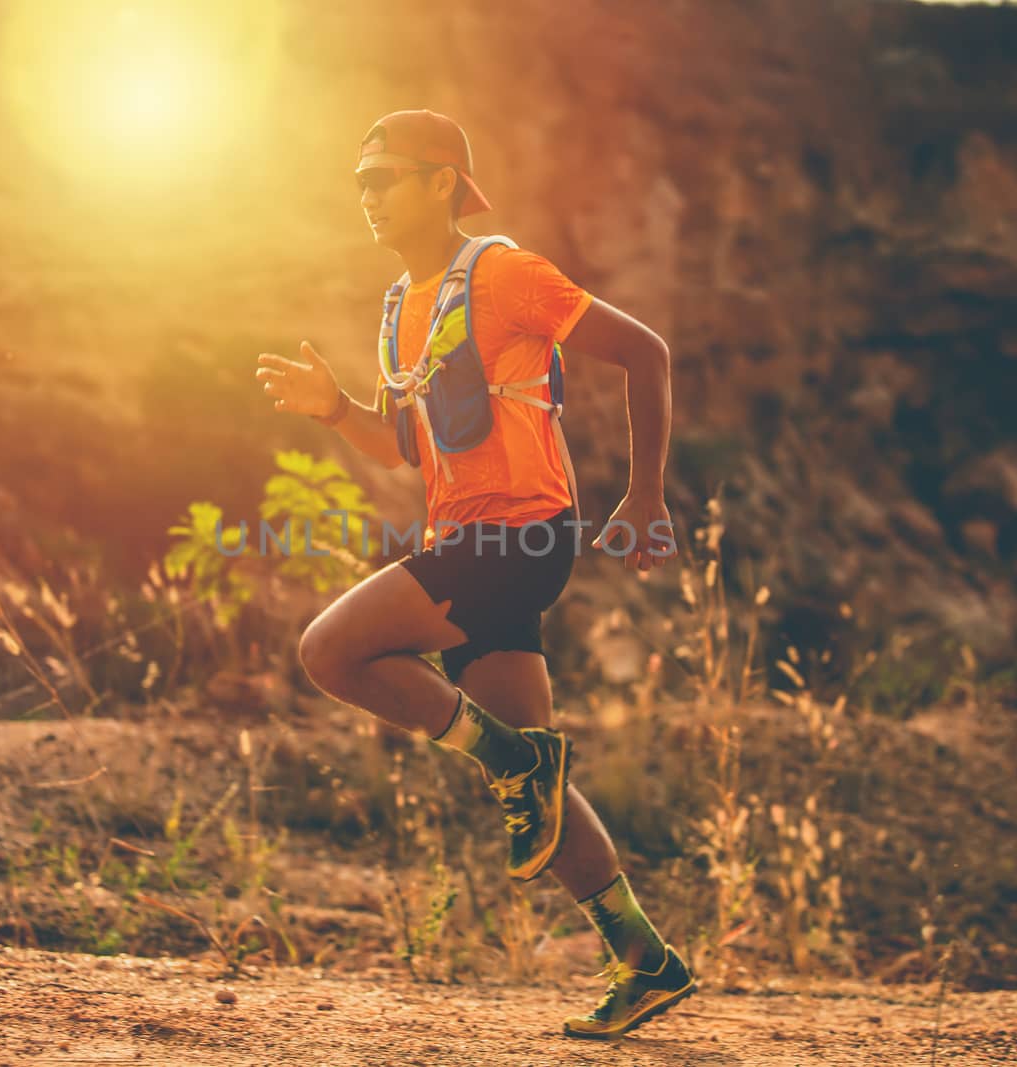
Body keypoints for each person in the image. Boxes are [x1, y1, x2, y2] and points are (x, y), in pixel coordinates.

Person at [254, 108, 693, 1039]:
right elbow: (407, 446)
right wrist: (334, 408)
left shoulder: (505, 273)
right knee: (543, 787)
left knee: (329, 651)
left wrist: (647, 496)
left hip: (520, 535)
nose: (366, 194)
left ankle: (505, 759)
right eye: (360, 179)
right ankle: (643, 956)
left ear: (442, 181)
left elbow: (645, 353)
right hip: (470, 536)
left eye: (385, 177)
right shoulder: (401, 307)